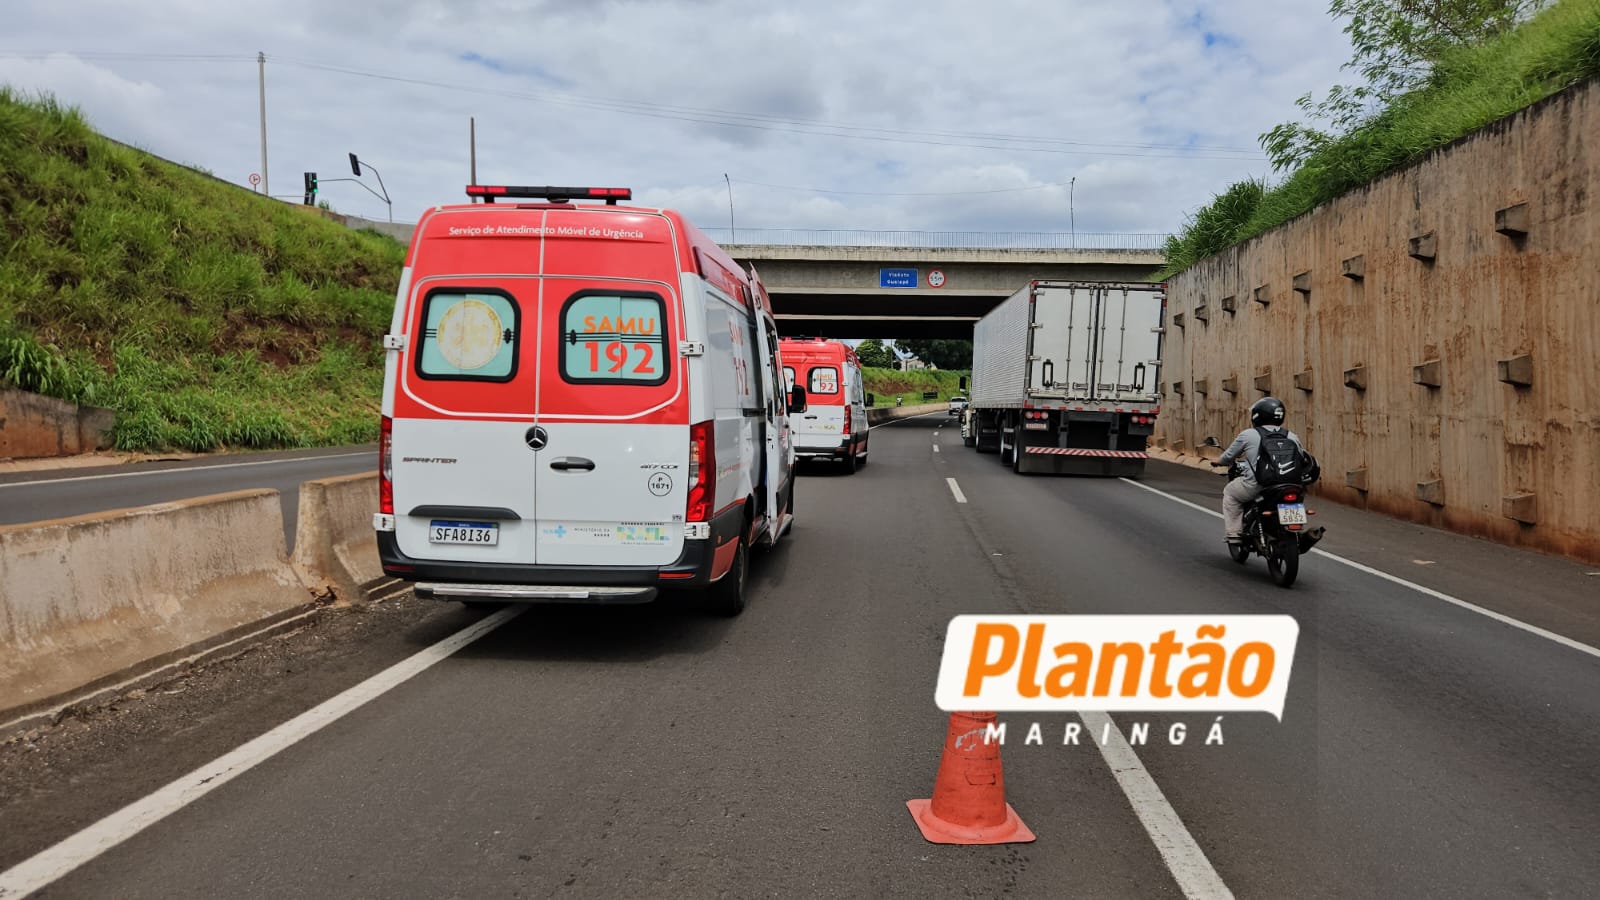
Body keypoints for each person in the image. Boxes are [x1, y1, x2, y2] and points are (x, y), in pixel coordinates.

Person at [1209, 397, 1307, 544]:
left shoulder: (1249, 434)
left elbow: (1229, 456)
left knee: (1230, 493)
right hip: (1290, 485)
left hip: (1259, 485)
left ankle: (1234, 533)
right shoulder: (1291, 436)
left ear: (1257, 415)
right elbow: (1302, 457)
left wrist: (1218, 462)